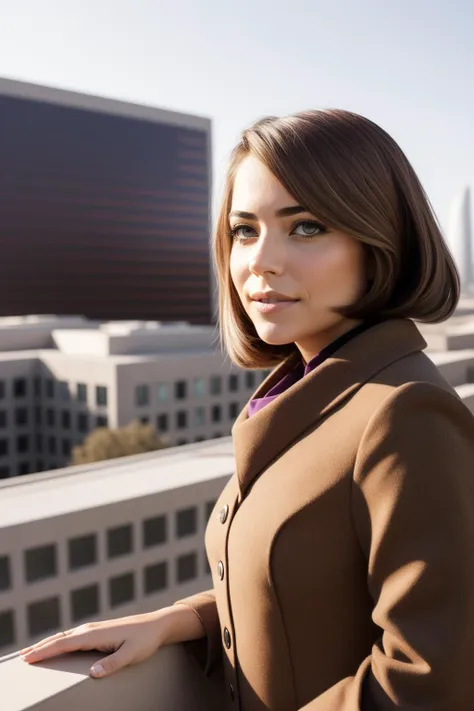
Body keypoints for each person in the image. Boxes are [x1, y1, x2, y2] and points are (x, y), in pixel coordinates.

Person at [20, 109, 474, 710]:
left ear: (380, 239)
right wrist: (181, 621)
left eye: (306, 227)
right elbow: (313, 590)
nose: (260, 261)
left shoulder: (405, 413)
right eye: (243, 230)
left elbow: (430, 678)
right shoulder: (300, 392)